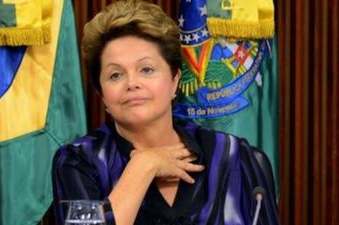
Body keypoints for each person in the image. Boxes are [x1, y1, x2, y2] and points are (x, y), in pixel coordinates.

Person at [52, 0, 280, 225]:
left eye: (147, 69)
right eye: (115, 75)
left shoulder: (236, 158)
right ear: (102, 95)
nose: (132, 83)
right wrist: (144, 166)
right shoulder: (78, 163)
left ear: (174, 81)